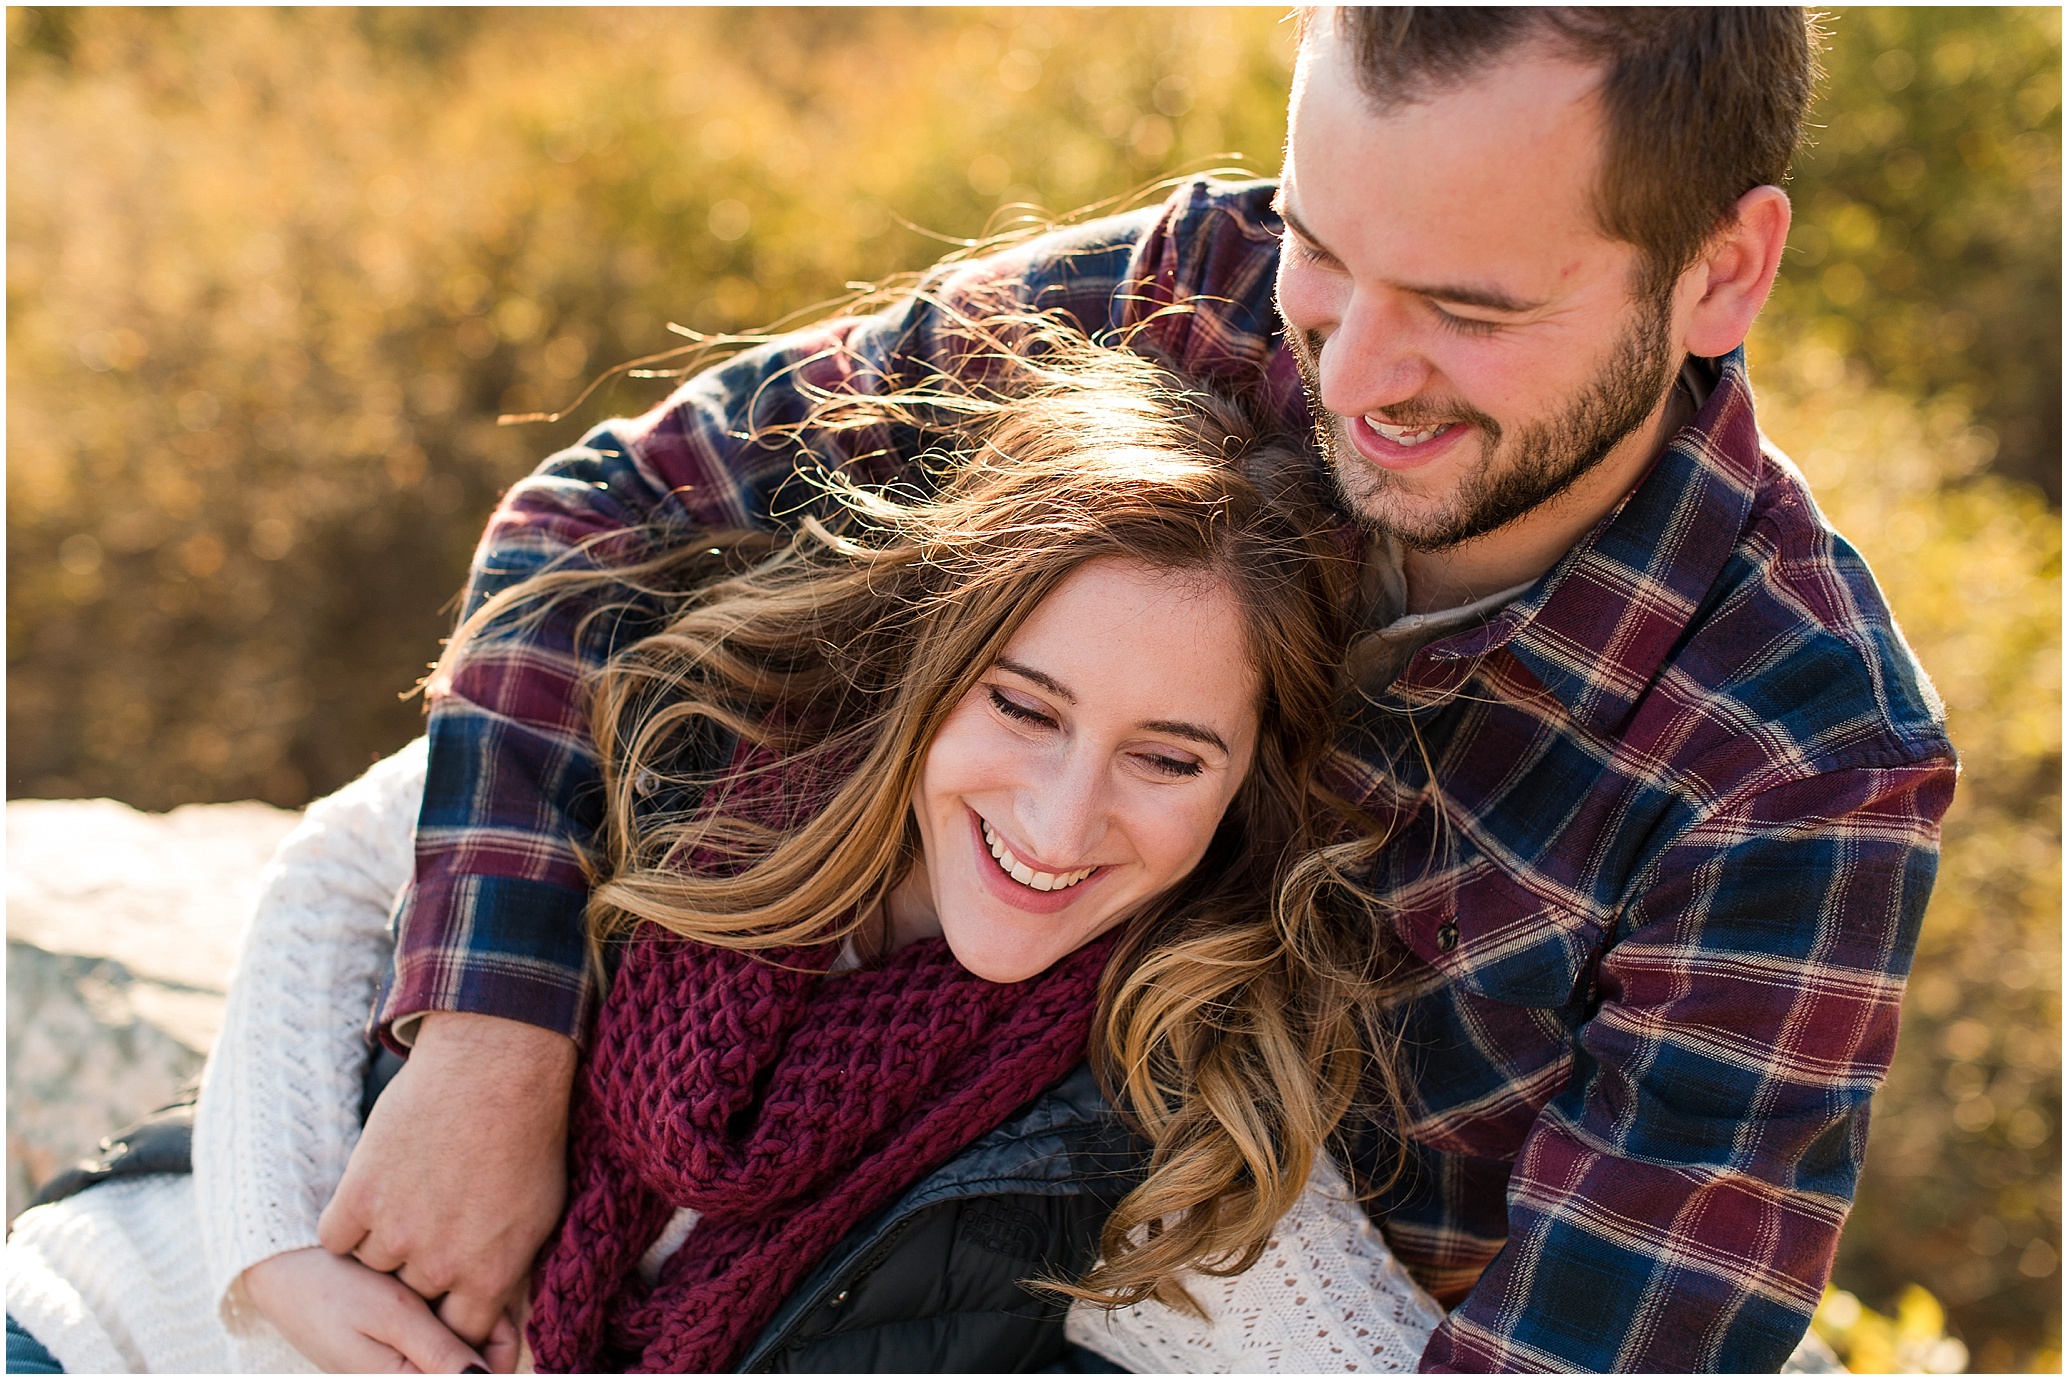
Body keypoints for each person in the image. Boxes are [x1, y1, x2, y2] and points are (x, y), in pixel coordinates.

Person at [317, 7, 1956, 1373]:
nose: (1354, 375)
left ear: (1723, 272)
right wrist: (488, 1044)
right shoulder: (1187, 292)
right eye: (1327, 252)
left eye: (1470, 310)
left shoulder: (1796, 765)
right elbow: (605, 522)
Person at [6, 336, 1452, 1372]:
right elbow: (336, 869)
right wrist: (272, 1260)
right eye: (1026, 706)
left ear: (1240, 793)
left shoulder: (1156, 1125)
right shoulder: (688, 744)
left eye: (1168, 757)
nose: (1063, 822)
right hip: (110, 1322)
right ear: (933, 663)